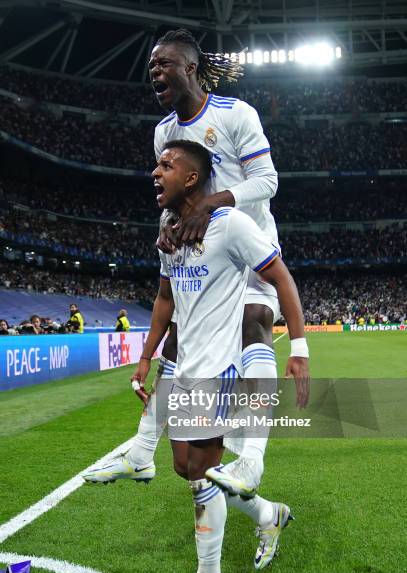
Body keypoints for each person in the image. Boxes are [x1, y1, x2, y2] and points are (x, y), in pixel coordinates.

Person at [85, 28, 290, 497]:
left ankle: (251, 462)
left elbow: (268, 181)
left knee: (255, 321)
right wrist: (166, 220)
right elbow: (172, 192)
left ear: (191, 69)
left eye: (165, 64)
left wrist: (210, 205)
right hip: (199, 257)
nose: (155, 72)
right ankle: (139, 455)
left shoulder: (236, 114)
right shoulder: (164, 132)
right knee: (176, 343)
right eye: (152, 66)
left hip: (248, 246)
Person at [146, 140, 309, 573]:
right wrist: (150, 355)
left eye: (166, 166)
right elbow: (166, 295)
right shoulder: (168, 222)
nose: (155, 172)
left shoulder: (232, 221)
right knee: (186, 467)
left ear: (194, 178)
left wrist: (300, 348)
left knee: (201, 469)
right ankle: (267, 513)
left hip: (219, 359)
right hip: (191, 358)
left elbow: (279, 273)